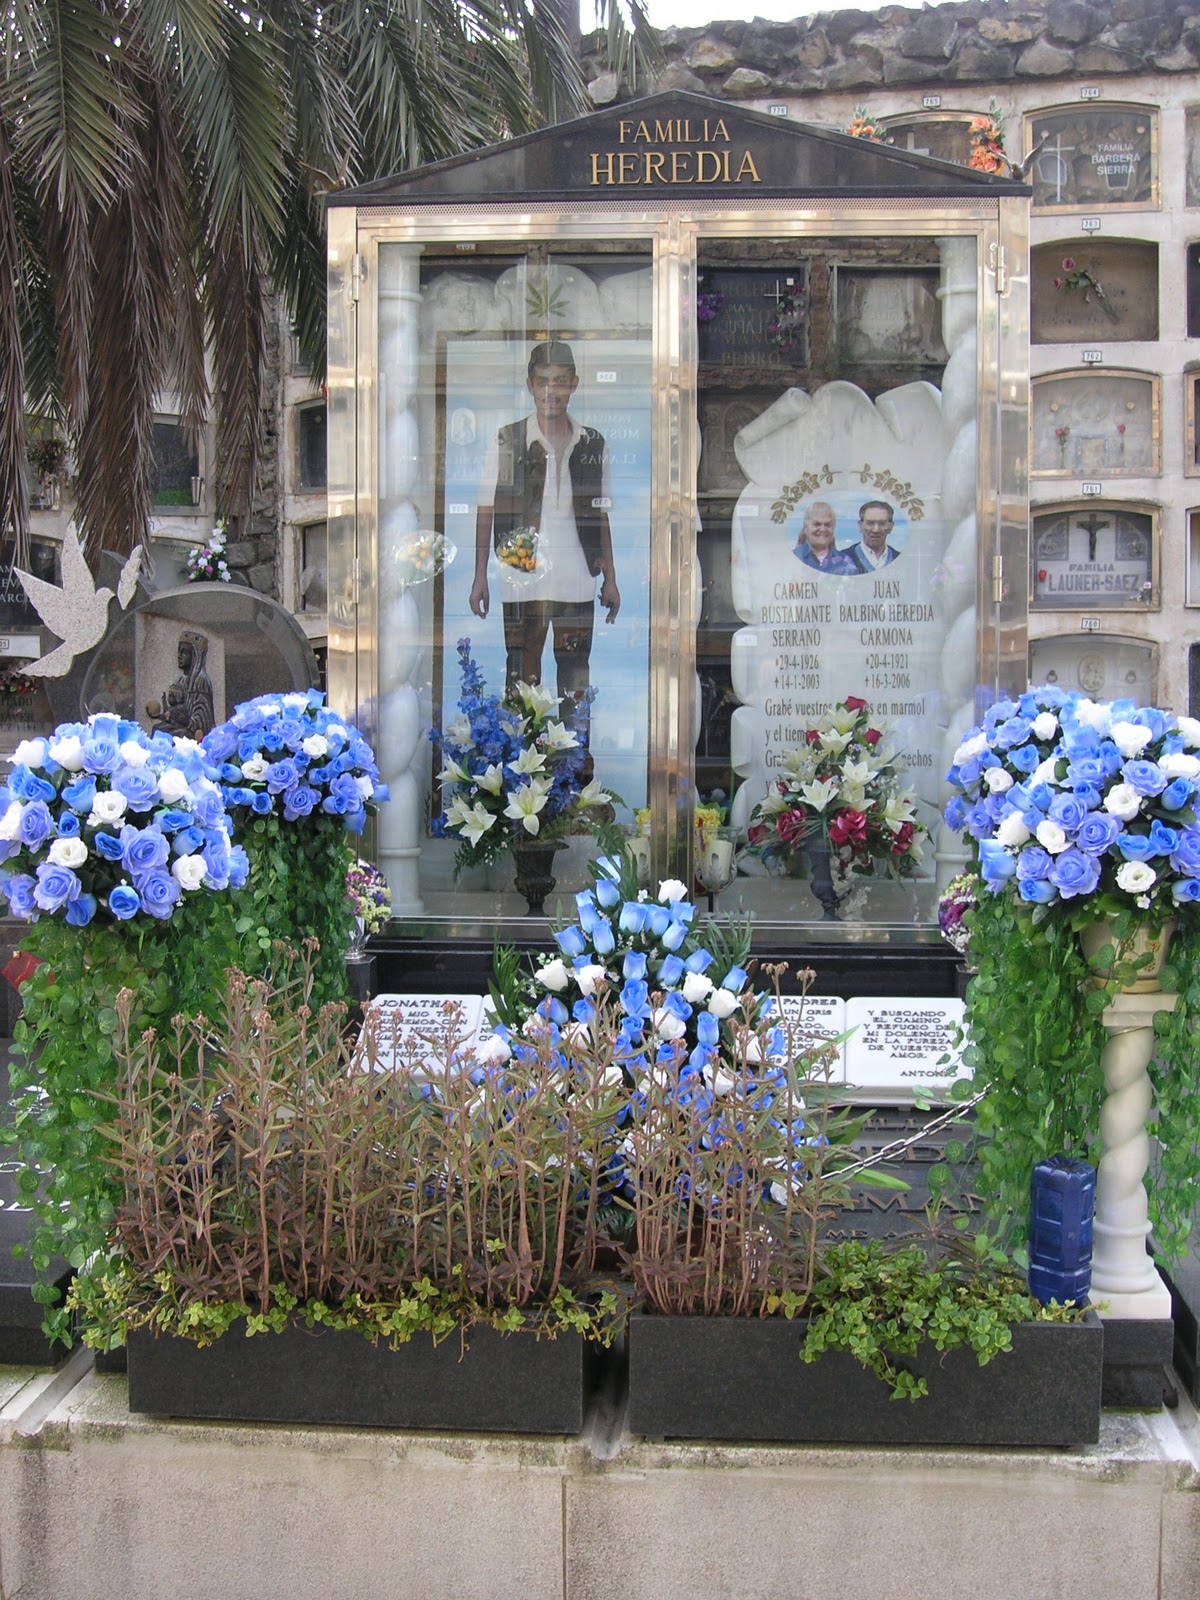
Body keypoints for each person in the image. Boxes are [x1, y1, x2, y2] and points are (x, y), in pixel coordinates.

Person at [470, 340, 620, 711]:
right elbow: (486, 508)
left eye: (560, 381)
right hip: (522, 575)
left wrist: (611, 578)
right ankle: (523, 763)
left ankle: (575, 764)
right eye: (542, 382)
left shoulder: (592, 442)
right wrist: (479, 577)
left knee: (574, 677)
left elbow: (602, 513)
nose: (551, 391)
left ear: (574, 383)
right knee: (522, 673)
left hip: (578, 577)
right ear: (530, 385)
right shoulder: (507, 440)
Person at [147, 629, 215, 740]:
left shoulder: (200, 681)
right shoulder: (181, 680)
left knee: (171, 736)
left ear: (195, 655)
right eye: (179, 651)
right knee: (157, 729)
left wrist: (187, 721)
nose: (179, 656)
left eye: (184, 652)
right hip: (179, 726)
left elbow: (204, 720)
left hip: (193, 734)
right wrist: (160, 715)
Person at [792, 501, 856, 575]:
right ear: (806, 528)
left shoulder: (846, 563)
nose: (822, 529)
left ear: (833, 528)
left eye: (828, 525)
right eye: (817, 524)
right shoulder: (792, 559)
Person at [845, 499, 901, 574]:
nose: (876, 530)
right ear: (860, 526)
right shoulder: (843, 559)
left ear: (891, 527)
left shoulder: (901, 559)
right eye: (870, 523)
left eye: (882, 523)